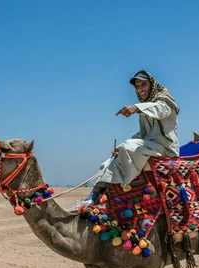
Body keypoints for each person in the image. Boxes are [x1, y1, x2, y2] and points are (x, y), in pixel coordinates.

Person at [76, 70, 180, 208]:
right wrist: (118, 149)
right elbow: (144, 134)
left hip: (165, 148)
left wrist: (137, 108)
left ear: (151, 85)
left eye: (144, 84)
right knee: (109, 161)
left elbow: (160, 110)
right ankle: (94, 195)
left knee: (127, 147)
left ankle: (121, 188)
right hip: (151, 146)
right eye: (138, 86)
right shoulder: (145, 108)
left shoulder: (165, 101)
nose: (141, 89)